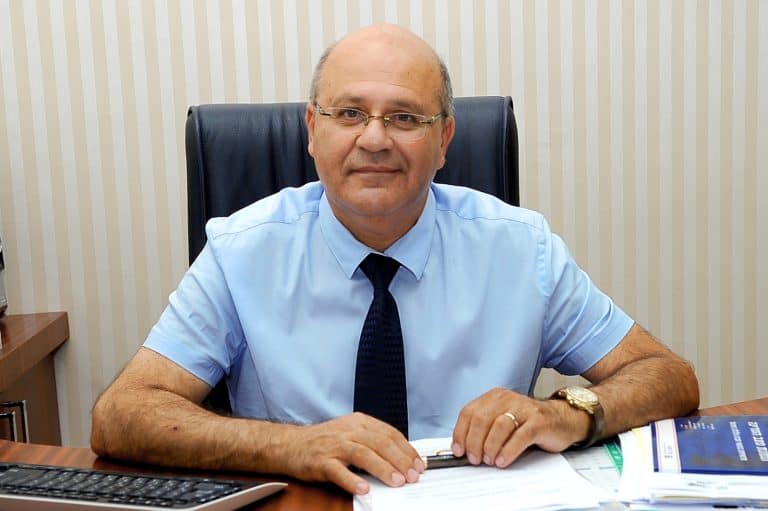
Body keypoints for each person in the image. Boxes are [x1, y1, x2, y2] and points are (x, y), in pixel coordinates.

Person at [91, 24, 699, 496]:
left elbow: (667, 375)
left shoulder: (521, 249)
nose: (375, 139)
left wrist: (568, 413)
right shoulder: (240, 252)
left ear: (444, 140)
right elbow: (122, 414)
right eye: (349, 113)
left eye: (405, 117)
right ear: (312, 129)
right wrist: (292, 447)